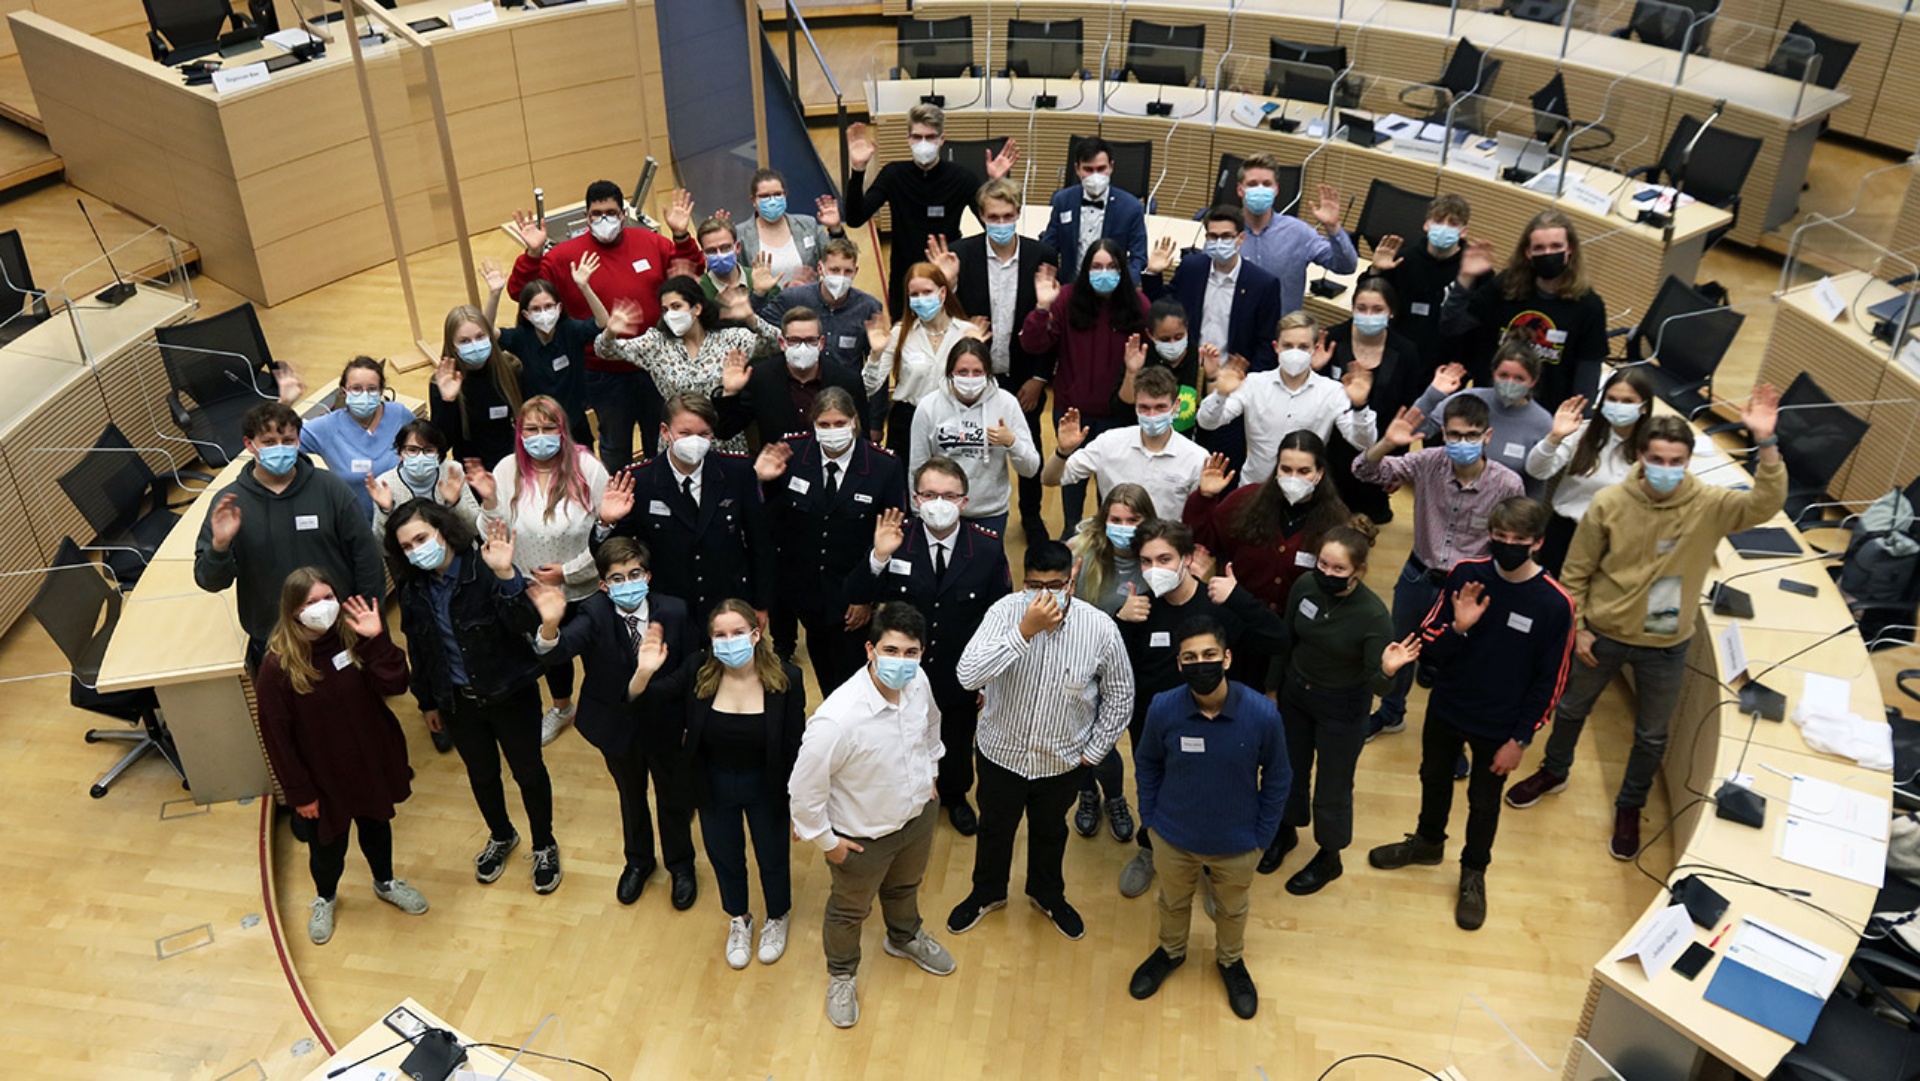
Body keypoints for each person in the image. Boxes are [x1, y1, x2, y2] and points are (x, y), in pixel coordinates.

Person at [1503, 392, 1786, 860]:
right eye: (1656, 458)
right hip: (1603, 634)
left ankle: (1630, 805)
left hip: (1666, 644)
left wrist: (1766, 441)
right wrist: (1580, 627)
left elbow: (1765, 503)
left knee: (1652, 735)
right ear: (1640, 457)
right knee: (1571, 709)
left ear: (1688, 462)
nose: (1665, 467)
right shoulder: (1610, 503)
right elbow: (1575, 573)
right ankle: (1555, 769)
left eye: (1675, 461)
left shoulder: (1710, 504)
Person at [1368, 497, 1575, 931]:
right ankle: (1427, 842)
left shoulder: (1555, 604)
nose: (1508, 546)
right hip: (1448, 705)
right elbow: (1430, 646)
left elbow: (1551, 681)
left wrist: (1521, 739)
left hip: (1500, 726)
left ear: (1538, 543)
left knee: (1484, 803)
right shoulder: (1467, 575)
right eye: (1500, 537)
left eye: (1519, 540)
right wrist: (1460, 627)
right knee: (1433, 777)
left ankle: (1474, 872)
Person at [948, 540, 1135, 941]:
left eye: (1055, 584)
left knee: (1051, 832)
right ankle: (987, 892)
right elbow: (968, 676)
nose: (1045, 596)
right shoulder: (1004, 613)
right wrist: (1023, 632)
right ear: (1022, 580)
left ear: (1074, 576)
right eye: (1035, 585)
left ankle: (1048, 894)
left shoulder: (1100, 627)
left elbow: (1121, 695)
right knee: (994, 829)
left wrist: (1094, 751)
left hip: (1062, 762)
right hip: (1001, 754)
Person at [789, 602, 955, 1029]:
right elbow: (804, 792)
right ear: (870, 649)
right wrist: (829, 843)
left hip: (917, 818)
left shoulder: (919, 683)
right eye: (891, 650)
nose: (902, 662)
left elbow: (932, 727)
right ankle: (842, 974)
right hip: (861, 838)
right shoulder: (837, 720)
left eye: (911, 652)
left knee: (904, 888)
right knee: (848, 912)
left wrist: (932, 774)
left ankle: (904, 937)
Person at [387, 504, 561, 894]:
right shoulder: (413, 588)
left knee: (529, 773)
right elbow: (420, 647)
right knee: (482, 775)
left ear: (443, 531)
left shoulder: (484, 565)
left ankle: (544, 843)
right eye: (407, 546)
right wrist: (427, 702)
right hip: (458, 702)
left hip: (510, 692)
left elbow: (525, 625)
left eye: (421, 538)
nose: (416, 550)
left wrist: (506, 574)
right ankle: (502, 835)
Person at [1112, 521, 1287, 899]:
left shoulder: (1220, 604)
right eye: (1146, 561)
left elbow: (1278, 639)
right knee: (1156, 786)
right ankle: (1151, 847)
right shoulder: (1139, 608)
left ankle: (1212, 863)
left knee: (1216, 791)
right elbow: (1116, 668)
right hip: (1155, 723)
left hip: (1218, 722)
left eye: (1164, 558)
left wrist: (1240, 596)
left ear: (1187, 559)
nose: (1154, 568)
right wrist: (1120, 623)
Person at [627, 599, 805, 966]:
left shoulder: (788, 678)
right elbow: (643, 704)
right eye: (720, 635)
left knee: (772, 856)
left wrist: (801, 805)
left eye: (738, 633)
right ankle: (739, 919)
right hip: (713, 783)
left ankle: (777, 916)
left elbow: (795, 746)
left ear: (756, 635)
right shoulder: (697, 670)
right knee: (725, 856)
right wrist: (644, 673)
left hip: (766, 784)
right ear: (710, 640)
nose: (729, 641)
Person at [1129, 615, 1290, 1019]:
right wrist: (1150, 819)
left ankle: (1231, 962)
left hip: (1238, 844)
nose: (1201, 664)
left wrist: (1262, 838)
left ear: (1227, 658)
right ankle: (1171, 952)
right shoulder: (1164, 708)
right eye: (1191, 657)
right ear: (1180, 665)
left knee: (1233, 909)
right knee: (1171, 901)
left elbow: (1279, 777)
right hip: (1172, 837)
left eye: (1209, 655)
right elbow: (1146, 762)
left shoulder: (1262, 715)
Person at [528, 537, 701, 910]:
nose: (628, 582)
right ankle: (638, 862)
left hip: (666, 723)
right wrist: (549, 625)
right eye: (617, 578)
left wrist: (690, 722)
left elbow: (691, 671)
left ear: (648, 576)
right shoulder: (593, 613)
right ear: (604, 585)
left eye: (634, 574)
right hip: (614, 725)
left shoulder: (674, 611)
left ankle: (681, 866)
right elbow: (557, 651)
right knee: (631, 796)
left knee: (673, 797)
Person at [255, 568, 425, 946]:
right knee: (328, 848)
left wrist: (378, 641)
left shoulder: (354, 636)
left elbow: (396, 684)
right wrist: (300, 793)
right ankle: (325, 897)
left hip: (370, 760)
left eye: (327, 598)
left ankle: (386, 882)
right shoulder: (277, 665)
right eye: (311, 603)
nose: (323, 608)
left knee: (377, 827)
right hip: (322, 776)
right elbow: (276, 738)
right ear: (293, 611)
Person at [848, 461, 1011, 835]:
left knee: (955, 738)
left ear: (964, 501)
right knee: (899, 736)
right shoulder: (894, 537)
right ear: (916, 499)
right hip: (902, 670)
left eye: (949, 495)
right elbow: (855, 595)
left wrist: (987, 680)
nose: (939, 502)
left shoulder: (985, 547)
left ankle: (954, 797)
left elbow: (998, 616)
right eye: (930, 494)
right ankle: (903, 795)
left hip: (959, 671)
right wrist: (878, 558)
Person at [1353, 396, 1525, 738]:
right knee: (1402, 645)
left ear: (1488, 436)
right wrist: (1388, 442)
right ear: (1443, 434)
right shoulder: (1429, 462)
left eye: (1472, 435)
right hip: (1419, 573)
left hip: (1469, 588)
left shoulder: (1508, 484)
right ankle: (1391, 713)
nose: (1463, 443)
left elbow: (1510, 542)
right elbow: (1363, 470)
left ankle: (1454, 735)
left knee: (1463, 662)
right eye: (1455, 435)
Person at [1267, 518, 1421, 894]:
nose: (1327, 573)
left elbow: (1380, 685)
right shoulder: (1304, 587)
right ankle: (1285, 831)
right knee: (1289, 768)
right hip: (1295, 696)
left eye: (1338, 568)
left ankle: (1329, 855)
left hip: (1342, 707)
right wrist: (1272, 688)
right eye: (1323, 564)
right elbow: (1285, 639)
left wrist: (1387, 671)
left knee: (1333, 786)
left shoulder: (1372, 616)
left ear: (1359, 571)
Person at [508, 181, 703, 472]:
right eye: (596, 214)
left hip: (655, 365)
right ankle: (616, 500)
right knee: (614, 444)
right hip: (602, 372)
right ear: (586, 217)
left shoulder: (651, 242)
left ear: (623, 214)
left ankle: (659, 490)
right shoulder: (564, 256)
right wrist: (533, 253)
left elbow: (691, 273)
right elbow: (520, 292)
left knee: (660, 437)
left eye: (611, 212)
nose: (604, 220)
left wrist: (680, 235)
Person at [195, 402, 385, 665]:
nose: (280, 448)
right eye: (269, 441)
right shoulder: (229, 504)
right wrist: (220, 546)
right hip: (275, 636)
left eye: (287, 440)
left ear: (298, 441)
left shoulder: (330, 488)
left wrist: (367, 614)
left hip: (339, 628)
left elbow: (366, 557)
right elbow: (210, 581)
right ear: (250, 445)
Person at [468, 397, 610, 746]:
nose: (540, 436)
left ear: (563, 431)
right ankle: (562, 708)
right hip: (532, 591)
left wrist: (569, 571)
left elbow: (608, 532)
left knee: (598, 654)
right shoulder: (504, 470)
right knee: (550, 654)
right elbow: (493, 537)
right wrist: (488, 503)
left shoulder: (588, 469)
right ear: (519, 432)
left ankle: (605, 708)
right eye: (531, 429)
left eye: (549, 428)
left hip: (585, 586)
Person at [753, 388, 907, 694]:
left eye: (840, 423)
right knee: (826, 674)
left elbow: (892, 536)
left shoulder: (883, 465)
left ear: (854, 422)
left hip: (854, 594)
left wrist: (867, 596)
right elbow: (768, 518)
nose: (832, 431)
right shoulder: (794, 453)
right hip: (807, 594)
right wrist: (758, 480)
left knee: (856, 679)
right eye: (824, 424)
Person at [930, 178, 1060, 541]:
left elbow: (1048, 324)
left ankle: (1031, 516)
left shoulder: (1042, 256)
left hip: (1022, 375)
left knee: (1026, 445)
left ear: (1018, 214)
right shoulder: (961, 253)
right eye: (992, 216)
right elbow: (944, 319)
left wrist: (1039, 378)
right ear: (982, 217)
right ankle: (965, 507)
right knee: (968, 444)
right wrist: (949, 286)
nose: (1000, 223)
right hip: (974, 375)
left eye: (1007, 216)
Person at [596, 392, 776, 625]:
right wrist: (606, 523)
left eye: (703, 434)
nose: (695, 441)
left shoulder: (737, 472)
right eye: (685, 433)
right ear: (665, 432)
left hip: (728, 607)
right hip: (669, 612)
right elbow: (611, 555)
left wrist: (761, 605)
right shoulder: (639, 481)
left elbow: (760, 543)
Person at [1020, 238, 1152, 529]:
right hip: (1073, 414)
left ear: (1122, 270)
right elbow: (1033, 343)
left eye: (1111, 267)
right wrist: (1042, 307)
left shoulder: (1138, 305)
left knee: (1116, 496)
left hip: (1121, 415)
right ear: (1085, 269)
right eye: (1096, 266)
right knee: (1072, 490)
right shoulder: (1066, 298)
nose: (1104, 273)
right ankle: (1071, 537)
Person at [841, 105, 1018, 316]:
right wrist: (858, 170)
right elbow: (855, 218)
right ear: (908, 138)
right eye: (917, 137)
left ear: (942, 139)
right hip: (905, 278)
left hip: (948, 276)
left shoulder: (962, 177)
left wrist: (995, 183)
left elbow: (991, 223)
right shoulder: (893, 175)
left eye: (930, 137)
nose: (923, 144)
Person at [1439, 208, 1607, 408]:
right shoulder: (1505, 286)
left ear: (1570, 249)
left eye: (1556, 246)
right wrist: (1466, 279)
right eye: (1539, 248)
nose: (1548, 254)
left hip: (1546, 415)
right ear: (1528, 252)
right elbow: (1451, 326)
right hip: (1490, 407)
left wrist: (1577, 423)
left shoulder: (1589, 306)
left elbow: (1587, 376)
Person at [1183, 431, 1353, 627]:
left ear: (1319, 473)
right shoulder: (1244, 501)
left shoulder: (1335, 520)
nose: (1293, 478)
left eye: (1304, 471)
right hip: (1238, 616)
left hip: (1296, 625)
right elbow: (1205, 542)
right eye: (1286, 469)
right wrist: (1204, 498)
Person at [595, 276, 778, 455]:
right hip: (677, 440)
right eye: (665, 310)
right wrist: (610, 332)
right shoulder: (656, 344)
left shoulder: (730, 339)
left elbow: (777, 343)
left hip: (723, 437)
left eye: (676, 307)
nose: (670, 315)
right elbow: (605, 351)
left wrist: (751, 319)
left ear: (696, 308)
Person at [1195, 310, 1376, 490]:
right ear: (1276, 347)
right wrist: (1221, 394)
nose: (1295, 353)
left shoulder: (1332, 391)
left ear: (1314, 349)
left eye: (1303, 347)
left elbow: (1363, 443)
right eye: (1288, 346)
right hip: (1255, 488)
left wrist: (1360, 406)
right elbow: (1207, 422)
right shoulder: (1254, 384)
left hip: (1306, 491)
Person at [1044, 366, 1205, 540]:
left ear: (1176, 406)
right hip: (1111, 548)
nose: (1152, 415)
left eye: (1160, 407)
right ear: (1135, 404)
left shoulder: (1197, 458)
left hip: (1163, 553)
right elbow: (1050, 479)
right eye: (1144, 407)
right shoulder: (1109, 442)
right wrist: (1062, 453)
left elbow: (1198, 520)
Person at [1525, 368, 1655, 573]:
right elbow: (1537, 471)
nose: (1618, 406)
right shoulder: (1582, 433)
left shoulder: (1652, 447)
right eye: (1612, 399)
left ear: (1644, 407)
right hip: (1566, 533)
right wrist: (1554, 438)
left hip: (1614, 540)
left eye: (1628, 401)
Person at [907, 338, 1040, 537]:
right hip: (940, 511)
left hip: (989, 512)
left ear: (988, 373)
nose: (970, 378)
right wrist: (919, 512)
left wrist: (1012, 442)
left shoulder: (1007, 403)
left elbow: (1030, 468)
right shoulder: (929, 406)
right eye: (963, 372)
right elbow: (917, 465)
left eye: (977, 372)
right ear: (950, 372)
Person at [1320, 277, 1426, 523]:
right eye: (1362, 308)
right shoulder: (1332, 339)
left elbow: (1406, 410)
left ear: (1391, 313)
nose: (1369, 315)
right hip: (1330, 449)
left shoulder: (1406, 351)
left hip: (1376, 452)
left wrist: (1397, 465)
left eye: (1377, 309)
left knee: (1364, 525)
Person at [1141, 207, 1283, 374]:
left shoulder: (1263, 284)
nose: (1219, 242)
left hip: (1233, 378)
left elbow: (1266, 342)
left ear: (1241, 238)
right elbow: (1163, 309)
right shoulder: (1191, 268)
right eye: (1213, 236)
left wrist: (1250, 380)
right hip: (1188, 371)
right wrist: (1153, 273)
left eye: (1226, 236)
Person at [1407, 339, 1554, 496]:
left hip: (1501, 512)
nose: (1510, 383)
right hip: (1449, 499)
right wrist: (1433, 394)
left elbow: (1536, 483)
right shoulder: (1468, 399)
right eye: (1503, 375)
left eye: (1519, 378)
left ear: (1533, 381)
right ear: (1493, 373)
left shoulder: (1543, 422)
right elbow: (1417, 430)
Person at [492, 254, 609, 449]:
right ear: (526, 315)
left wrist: (584, 287)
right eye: (536, 309)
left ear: (559, 307)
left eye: (548, 306)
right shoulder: (520, 338)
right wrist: (494, 295)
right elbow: (488, 332)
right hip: (540, 431)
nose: (544, 313)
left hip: (575, 426)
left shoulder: (570, 330)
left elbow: (603, 322)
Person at [864, 261, 977, 457]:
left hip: (953, 420)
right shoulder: (900, 333)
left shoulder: (966, 332)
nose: (921, 299)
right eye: (914, 295)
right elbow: (869, 386)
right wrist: (875, 354)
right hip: (907, 421)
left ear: (942, 294)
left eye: (927, 292)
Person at [715, 306, 869, 447]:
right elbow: (725, 431)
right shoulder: (761, 378)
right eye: (794, 340)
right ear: (782, 343)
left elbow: (863, 437)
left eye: (810, 340)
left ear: (821, 343)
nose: (802, 347)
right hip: (780, 469)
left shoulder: (847, 380)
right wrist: (730, 392)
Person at [299, 356, 416, 521]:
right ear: (343, 391)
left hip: (406, 519)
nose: (364, 395)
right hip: (357, 525)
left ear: (382, 391)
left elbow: (430, 443)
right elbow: (282, 441)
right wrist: (285, 402)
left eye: (372, 389)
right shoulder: (326, 427)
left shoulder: (399, 414)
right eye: (356, 388)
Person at [1233, 158, 1356, 313]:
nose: (1260, 189)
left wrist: (1333, 227)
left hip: (1282, 332)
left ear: (1276, 190)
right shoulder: (1226, 232)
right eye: (1252, 184)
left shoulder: (1298, 232)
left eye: (1267, 184)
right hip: (1235, 330)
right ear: (1240, 190)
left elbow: (1346, 267)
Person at [1367, 192, 1471, 374]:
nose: (1444, 228)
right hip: (1400, 355)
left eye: (1453, 224)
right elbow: (1367, 300)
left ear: (1463, 232)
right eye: (1438, 221)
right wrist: (1377, 271)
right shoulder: (1403, 259)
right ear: (1426, 224)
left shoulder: (1473, 269)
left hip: (1446, 363)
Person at [753, 238, 884, 379]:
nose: (841, 277)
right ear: (821, 268)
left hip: (846, 392)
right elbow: (757, 327)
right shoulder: (792, 298)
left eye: (847, 271)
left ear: (855, 271)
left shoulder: (869, 307)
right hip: (798, 386)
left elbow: (876, 360)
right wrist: (758, 295)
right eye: (834, 270)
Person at [1038, 137, 1149, 283]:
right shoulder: (1063, 200)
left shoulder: (1131, 208)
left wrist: (1123, 286)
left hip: (1112, 288)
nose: (1095, 176)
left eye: (1101, 169)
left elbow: (1139, 258)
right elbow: (1049, 247)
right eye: (1088, 170)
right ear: (1077, 169)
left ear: (1111, 167)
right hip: (1070, 286)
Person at [431, 305, 525, 470]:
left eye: (480, 336)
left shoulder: (511, 369)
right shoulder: (442, 382)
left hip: (511, 462)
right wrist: (448, 401)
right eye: (465, 341)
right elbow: (441, 446)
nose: (475, 345)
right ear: (453, 346)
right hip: (472, 471)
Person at [735, 168, 847, 286]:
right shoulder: (741, 234)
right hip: (765, 303)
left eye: (778, 194)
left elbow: (840, 259)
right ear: (753, 200)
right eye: (765, 196)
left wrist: (835, 229)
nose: (772, 201)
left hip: (807, 301)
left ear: (785, 195)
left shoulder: (807, 224)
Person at [1068, 483, 1156, 617]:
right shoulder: (1078, 550)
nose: (1124, 527)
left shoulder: (1160, 556)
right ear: (1104, 521)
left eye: (1133, 520)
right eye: (1116, 520)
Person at [1127, 299, 1203, 434]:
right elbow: (1123, 408)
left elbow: (1214, 417)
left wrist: (1213, 376)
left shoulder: (1200, 359)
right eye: (1165, 339)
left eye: (1179, 337)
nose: (1173, 344)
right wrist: (1132, 372)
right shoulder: (1141, 357)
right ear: (1150, 334)